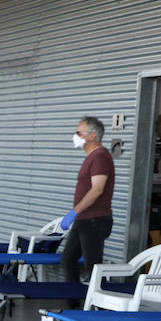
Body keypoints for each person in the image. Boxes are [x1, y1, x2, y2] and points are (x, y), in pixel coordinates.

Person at [59, 116, 116, 285]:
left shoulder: (100, 157)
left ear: (91, 136)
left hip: (94, 219)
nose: (75, 136)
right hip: (84, 219)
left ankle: (98, 307)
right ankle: (72, 302)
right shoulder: (92, 156)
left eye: (79, 132)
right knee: (68, 259)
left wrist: (75, 211)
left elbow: (97, 189)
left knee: (93, 267)